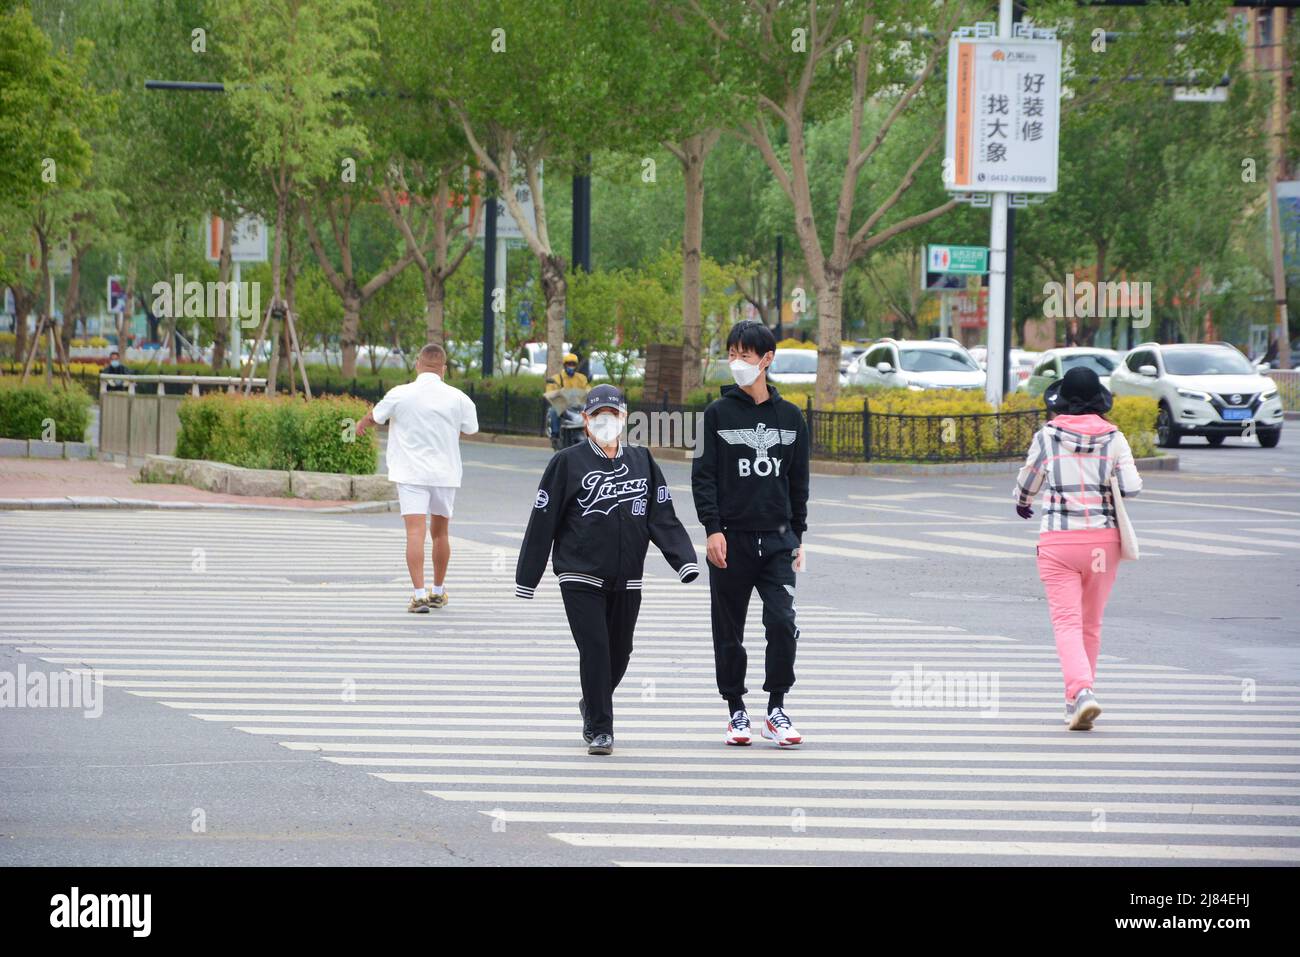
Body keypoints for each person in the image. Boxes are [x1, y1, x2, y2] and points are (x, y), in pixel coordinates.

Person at [516, 384, 699, 756]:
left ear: (624, 418)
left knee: (621, 651)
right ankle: (601, 728)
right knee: (596, 649)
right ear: (585, 421)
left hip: (627, 575)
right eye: (598, 416)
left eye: (612, 415)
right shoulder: (567, 463)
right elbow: (543, 519)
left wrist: (684, 560)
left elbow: (661, 515)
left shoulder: (642, 460)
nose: (605, 422)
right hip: (579, 572)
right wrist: (527, 577)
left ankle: (592, 701)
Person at [692, 320, 810, 748]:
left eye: (745, 354)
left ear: (767, 359)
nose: (737, 362)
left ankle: (776, 708)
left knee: (782, 622)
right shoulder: (716, 415)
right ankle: (736, 711)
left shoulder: (791, 417)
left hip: (778, 540)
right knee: (729, 631)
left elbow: (799, 482)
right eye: (732, 354)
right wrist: (712, 529)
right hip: (731, 541)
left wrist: (798, 535)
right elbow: (703, 477)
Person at [1014, 366, 1142, 730]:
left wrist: (1022, 500)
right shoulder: (1115, 437)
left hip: (1059, 541)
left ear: (1063, 402)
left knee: (1067, 622)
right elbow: (1131, 487)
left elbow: (1029, 483)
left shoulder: (1048, 436)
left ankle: (1081, 691)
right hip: (1103, 542)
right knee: (1091, 623)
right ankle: (1076, 701)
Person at [355, 343, 479, 613]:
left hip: (411, 474)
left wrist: (361, 425)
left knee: (415, 531)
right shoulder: (459, 398)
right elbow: (471, 429)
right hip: (445, 474)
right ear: (443, 369)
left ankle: (419, 594)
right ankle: (438, 591)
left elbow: (374, 417)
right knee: (441, 533)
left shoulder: (400, 394)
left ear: (417, 364)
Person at [546, 353, 588, 441]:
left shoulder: (581, 378)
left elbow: (587, 389)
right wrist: (556, 394)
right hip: (563, 405)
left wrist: (590, 394)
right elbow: (551, 391)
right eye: (569, 364)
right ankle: (555, 433)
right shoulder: (557, 378)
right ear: (565, 365)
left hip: (577, 405)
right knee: (554, 410)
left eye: (573, 365)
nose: (571, 367)